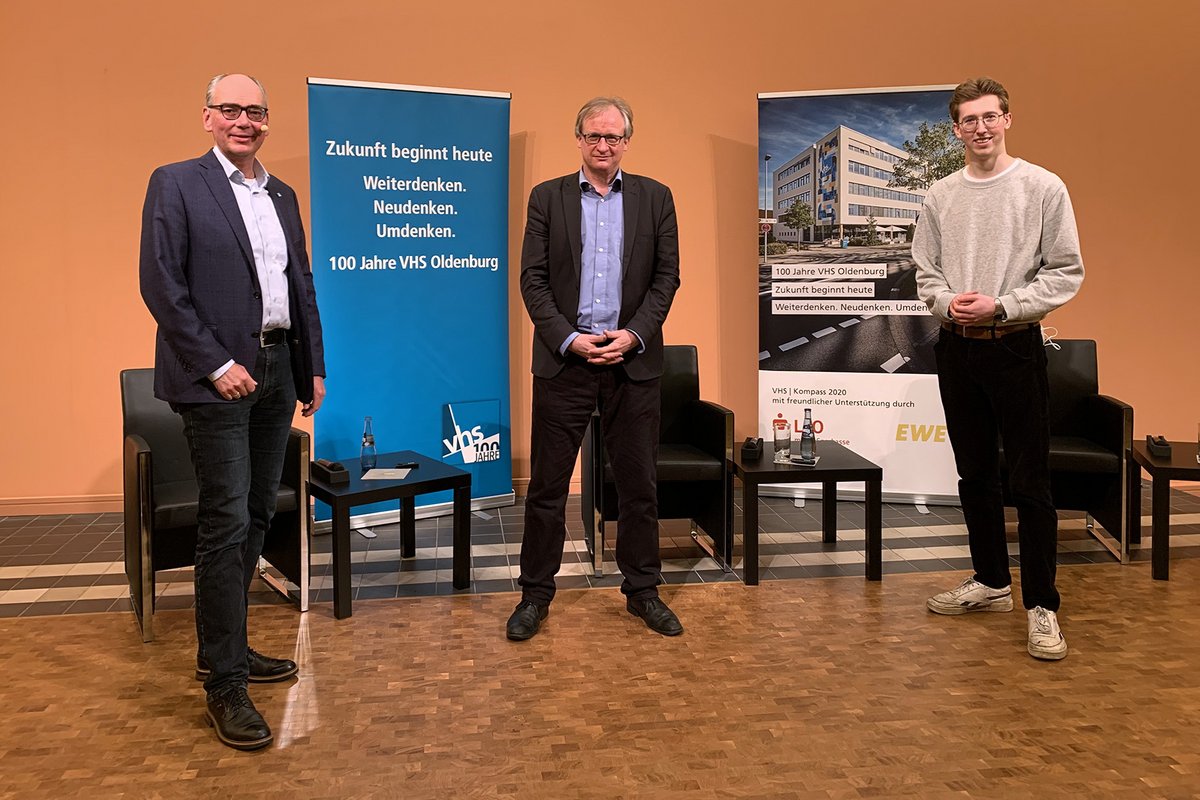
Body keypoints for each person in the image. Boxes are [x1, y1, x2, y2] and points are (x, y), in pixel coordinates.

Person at [139, 73, 326, 748]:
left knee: (256, 513)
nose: (244, 120)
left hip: (277, 370)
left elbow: (299, 283)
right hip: (215, 378)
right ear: (208, 117)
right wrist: (218, 365)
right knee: (226, 520)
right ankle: (225, 682)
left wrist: (313, 365)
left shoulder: (282, 194)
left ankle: (227, 646)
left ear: (267, 120)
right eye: (231, 109)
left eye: (255, 111)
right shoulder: (176, 183)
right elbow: (161, 284)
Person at [913, 77, 1084, 661]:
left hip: (1015, 346)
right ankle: (991, 581)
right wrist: (946, 302)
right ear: (956, 129)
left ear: (1007, 119)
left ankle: (1042, 605)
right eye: (969, 120)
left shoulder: (1043, 187)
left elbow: (1065, 271)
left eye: (990, 117)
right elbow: (925, 270)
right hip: (956, 348)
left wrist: (1004, 305)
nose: (980, 128)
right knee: (975, 475)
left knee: (1030, 482)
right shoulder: (940, 195)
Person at [509, 96, 682, 641]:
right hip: (566, 362)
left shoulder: (656, 197)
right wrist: (570, 339)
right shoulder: (547, 197)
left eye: (613, 136)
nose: (603, 145)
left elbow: (666, 279)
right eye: (593, 135)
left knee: (638, 487)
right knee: (547, 488)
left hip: (633, 363)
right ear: (579, 139)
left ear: (627, 141)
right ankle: (534, 595)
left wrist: (632, 335)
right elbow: (532, 279)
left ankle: (643, 591)